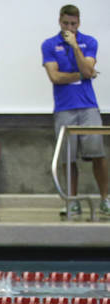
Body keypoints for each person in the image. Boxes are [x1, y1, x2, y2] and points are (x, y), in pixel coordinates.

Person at [41, 4, 109, 218]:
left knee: (98, 155)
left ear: (78, 23)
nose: (69, 27)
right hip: (64, 108)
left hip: (88, 106)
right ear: (59, 22)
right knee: (68, 159)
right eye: (65, 23)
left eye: (73, 23)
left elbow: (88, 68)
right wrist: (81, 76)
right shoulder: (49, 44)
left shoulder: (89, 42)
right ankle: (72, 201)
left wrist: (76, 48)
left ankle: (105, 199)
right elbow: (55, 77)